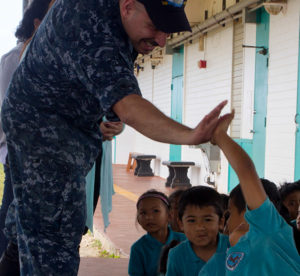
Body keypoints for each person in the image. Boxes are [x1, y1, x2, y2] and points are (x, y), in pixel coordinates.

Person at [1, 0, 229, 274]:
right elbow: (129, 107)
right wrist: (192, 135)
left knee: (32, 220)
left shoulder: (120, 20)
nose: (161, 40)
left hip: (60, 124)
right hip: (43, 131)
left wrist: (106, 117)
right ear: (128, 6)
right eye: (155, 26)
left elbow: (110, 95)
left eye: (167, 31)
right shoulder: (91, 23)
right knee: (54, 234)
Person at [210, 110, 300, 275]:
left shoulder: (271, 231)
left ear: (247, 213)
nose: (226, 222)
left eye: (230, 214)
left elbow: (246, 171)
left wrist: (220, 136)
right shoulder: (232, 251)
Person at [0, 0, 51, 259]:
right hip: (19, 157)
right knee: (11, 226)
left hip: (53, 160)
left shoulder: (56, 60)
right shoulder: (12, 61)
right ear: (38, 23)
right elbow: (8, 116)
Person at [166, 186, 229, 276]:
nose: (199, 227)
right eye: (192, 220)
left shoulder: (233, 247)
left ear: (221, 222)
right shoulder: (176, 255)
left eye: (207, 220)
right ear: (181, 224)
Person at [128, 189, 186, 276]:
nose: (149, 217)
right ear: (138, 220)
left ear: (169, 215)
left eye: (155, 211)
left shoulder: (184, 240)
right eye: (143, 213)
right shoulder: (138, 249)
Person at [85, 118, 124, 233]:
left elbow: (120, 113)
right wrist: (94, 126)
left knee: (83, 215)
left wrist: (117, 127)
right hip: (66, 157)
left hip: (96, 158)